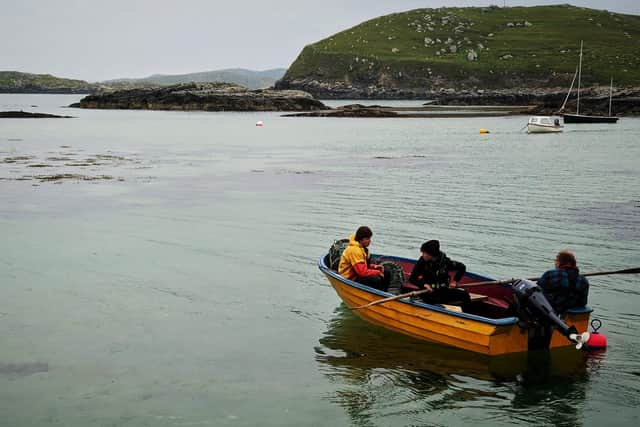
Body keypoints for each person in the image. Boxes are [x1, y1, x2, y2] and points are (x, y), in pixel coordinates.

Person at [408, 239, 471, 307]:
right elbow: (412, 278)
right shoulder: (422, 262)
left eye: (424, 253)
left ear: (432, 254)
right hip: (428, 292)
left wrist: (454, 281)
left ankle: (467, 315)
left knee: (465, 295)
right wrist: (424, 284)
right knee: (433, 301)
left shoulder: (445, 261)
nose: (423, 255)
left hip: (443, 290)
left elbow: (462, 267)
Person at [338, 226, 390, 291]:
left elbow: (363, 265)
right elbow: (362, 272)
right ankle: (376, 295)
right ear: (361, 239)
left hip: (357, 273)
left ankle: (384, 293)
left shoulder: (363, 249)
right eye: (368, 239)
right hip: (350, 277)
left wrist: (375, 267)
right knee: (376, 279)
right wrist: (378, 272)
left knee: (387, 272)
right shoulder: (354, 250)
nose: (370, 241)